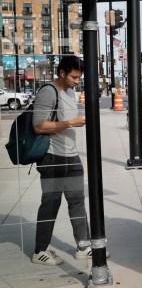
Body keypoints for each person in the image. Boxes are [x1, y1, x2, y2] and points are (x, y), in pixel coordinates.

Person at [31, 55, 89, 265]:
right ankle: (40, 250)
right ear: (62, 73)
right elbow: (38, 126)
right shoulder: (48, 92)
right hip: (52, 156)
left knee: (77, 201)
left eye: (79, 77)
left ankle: (83, 245)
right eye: (74, 77)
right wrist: (70, 123)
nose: (76, 81)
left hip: (71, 155)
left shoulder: (70, 91)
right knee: (51, 203)